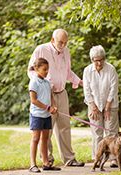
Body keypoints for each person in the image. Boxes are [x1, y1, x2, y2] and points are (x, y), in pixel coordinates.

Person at [28, 29, 84, 167]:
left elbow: (67, 72)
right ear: (52, 40)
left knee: (65, 126)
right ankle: (48, 160)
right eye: (60, 42)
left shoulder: (66, 51)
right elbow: (31, 70)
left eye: (65, 42)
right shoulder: (41, 49)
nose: (63, 45)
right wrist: (41, 85)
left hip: (62, 92)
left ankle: (69, 159)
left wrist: (80, 82)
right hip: (47, 93)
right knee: (47, 128)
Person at [83, 45, 119, 168]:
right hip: (94, 105)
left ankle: (114, 158)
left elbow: (114, 89)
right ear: (92, 60)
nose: (99, 63)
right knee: (97, 132)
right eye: (96, 60)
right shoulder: (87, 71)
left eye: (101, 59)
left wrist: (107, 107)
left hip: (111, 104)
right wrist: (93, 106)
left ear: (104, 58)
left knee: (111, 131)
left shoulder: (111, 69)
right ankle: (97, 158)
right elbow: (86, 90)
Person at [28, 58, 61, 172]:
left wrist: (54, 106)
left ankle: (46, 163)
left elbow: (51, 96)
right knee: (36, 138)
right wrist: (47, 107)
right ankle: (32, 164)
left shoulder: (47, 83)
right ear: (36, 69)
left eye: (47, 69)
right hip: (37, 114)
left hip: (46, 115)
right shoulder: (34, 81)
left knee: (45, 139)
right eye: (44, 69)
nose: (46, 72)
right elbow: (33, 100)